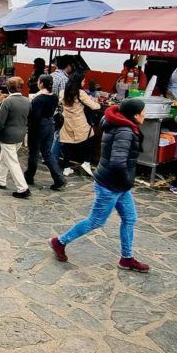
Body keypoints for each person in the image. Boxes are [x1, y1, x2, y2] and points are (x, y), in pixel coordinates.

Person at [49, 98, 150, 273]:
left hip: (118, 185)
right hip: (111, 185)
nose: (145, 115)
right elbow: (118, 163)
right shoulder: (125, 131)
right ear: (134, 115)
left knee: (130, 218)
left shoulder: (119, 125)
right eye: (143, 111)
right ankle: (60, 241)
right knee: (95, 221)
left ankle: (127, 258)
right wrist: (128, 181)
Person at [0, 77, 32, 199]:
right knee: (5, 158)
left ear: (8, 88)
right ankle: (0, 180)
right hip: (20, 135)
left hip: (7, 136)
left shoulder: (7, 102)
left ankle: (22, 188)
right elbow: (29, 118)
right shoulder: (27, 101)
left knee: (12, 162)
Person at [24, 74, 65, 190]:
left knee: (34, 152)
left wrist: (29, 127)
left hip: (39, 125)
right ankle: (59, 178)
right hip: (50, 124)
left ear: (41, 83)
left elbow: (35, 116)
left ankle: (29, 176)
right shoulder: (54, 97)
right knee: (47, 153)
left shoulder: (38, 99)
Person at [59, 72, 101, 177]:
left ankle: (66, 167)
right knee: (90, 138)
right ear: (78, 82)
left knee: (67, 144)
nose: (84, 82)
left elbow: (60, 103)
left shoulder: (62, 92)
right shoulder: (80, 93)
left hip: (67, 122)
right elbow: (94, 107)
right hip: (79, 122)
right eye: (83, 81)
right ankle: (87, 162)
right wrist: (98, 104)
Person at [50, 55, 74, 160]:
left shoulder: (51, 75)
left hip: (50, 109)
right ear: (68, 66)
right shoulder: (64, 79)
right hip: (59, 111)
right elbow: (65, 98)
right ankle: (52, 158)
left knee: (51, 134)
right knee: (58, 135)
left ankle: (47, 155)